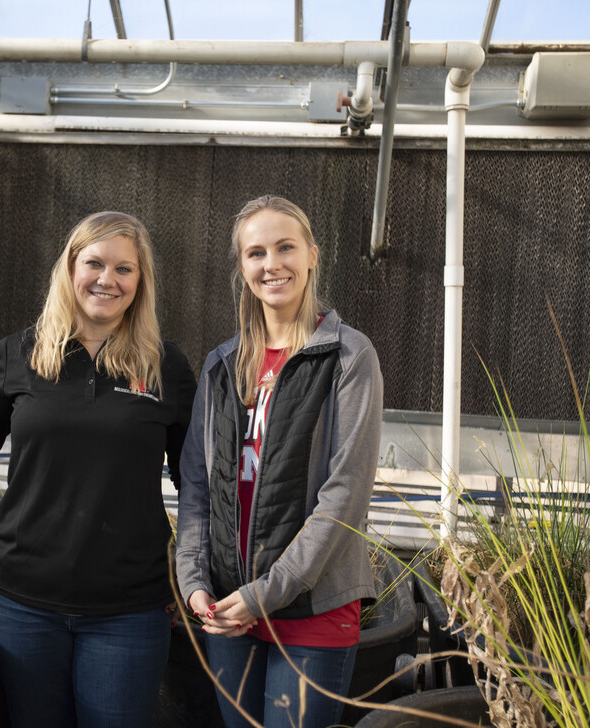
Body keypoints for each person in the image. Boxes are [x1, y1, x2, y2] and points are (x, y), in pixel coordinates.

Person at [0, 210, 197, 728]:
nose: (107, 279)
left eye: (124, 269)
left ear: (140, 281)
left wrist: (192, 570)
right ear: (69, 268)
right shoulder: (20, 353)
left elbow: (195, 478)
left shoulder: (165, 367)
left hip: (130, 609)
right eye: (95, 263)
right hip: (20, 603)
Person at [175, 195, 384, 728]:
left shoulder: (347, 356)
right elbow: (197, 490)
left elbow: (344, 495)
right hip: (227, 608)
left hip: (310, 609)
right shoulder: (223, 365)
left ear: (312, 255)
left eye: (285, 247)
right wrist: (194, 580)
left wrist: (266, 593)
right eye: (256, 252)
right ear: (243, 268)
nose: (272, 264)